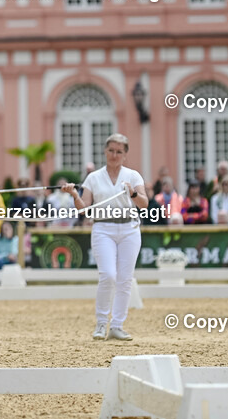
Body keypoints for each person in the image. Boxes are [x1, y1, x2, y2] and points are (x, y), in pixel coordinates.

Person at [62, 133, 147, 341]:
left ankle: (117, 325)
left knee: (125, 279)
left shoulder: (133, 175)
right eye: (111, 150)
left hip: (129, 228)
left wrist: (133, 193)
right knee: (108, 275)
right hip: (103, 228)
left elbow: (144, 203)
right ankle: (101, 323)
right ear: (105, 151)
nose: (114, 155)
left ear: (125, 155)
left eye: (119, 152)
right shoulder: (93, 177)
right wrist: (74, 195)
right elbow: (84, 209)